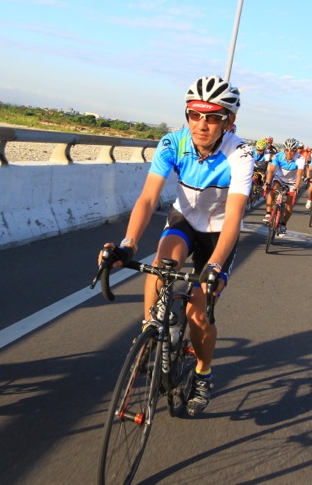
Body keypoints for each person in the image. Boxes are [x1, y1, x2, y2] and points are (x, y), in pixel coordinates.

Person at [99, 75, 252, 416]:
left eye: (212, 117)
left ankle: (203, 374)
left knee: (198, 313)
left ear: (229, 121)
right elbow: (149, 197)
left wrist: (214, 264)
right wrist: (128, 243)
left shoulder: (240, 154)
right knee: (158, 268)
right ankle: (152, 333)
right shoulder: (172, 143)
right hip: (184, 221)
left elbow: (235, 216)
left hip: (218, 232)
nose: (202, 124)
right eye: (194, 115)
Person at [262, 137, 305, 236]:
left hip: (292, 182)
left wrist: (296, 187)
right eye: (287, 150)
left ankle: (283, 224)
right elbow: (271, 170)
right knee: (273, 189)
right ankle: (268, 213)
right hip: (280, 178)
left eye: (292, 151)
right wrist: (267, 182)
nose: (289, 153)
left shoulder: (300, 159)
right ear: (284, 149)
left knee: (289, 204)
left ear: (296, 151)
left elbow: (299, 175)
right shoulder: (278, 156)